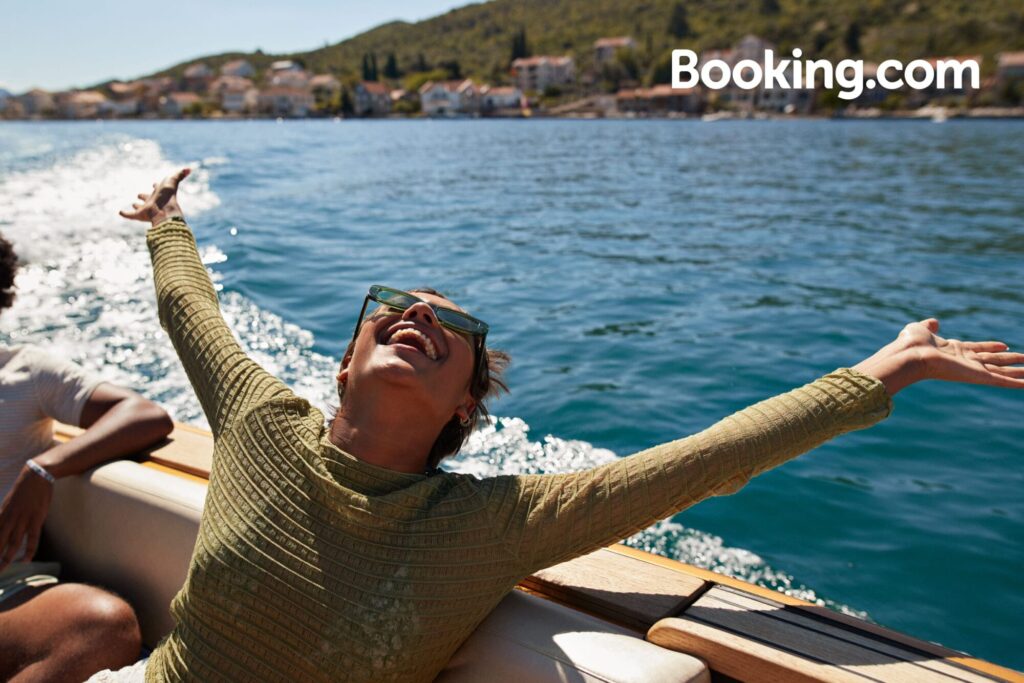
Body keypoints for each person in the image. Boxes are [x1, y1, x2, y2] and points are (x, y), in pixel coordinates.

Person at [114, 169, 1022, 683]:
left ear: (465, 405)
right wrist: (165, 221)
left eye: (452, 323)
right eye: (394, 304)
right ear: (345, 363)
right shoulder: (260, 422)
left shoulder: (491, 525)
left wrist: (888, 368)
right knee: (88, 619)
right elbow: (192, 309)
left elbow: (705, 460)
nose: (419, 314)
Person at [0, 232, 174, 682]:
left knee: (101, 625)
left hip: (7, 589)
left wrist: (45, 469)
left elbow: (144, 415)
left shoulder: (26, 372)